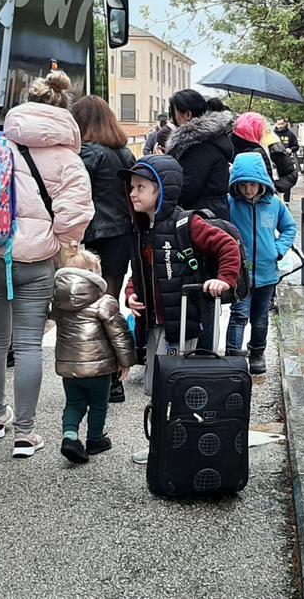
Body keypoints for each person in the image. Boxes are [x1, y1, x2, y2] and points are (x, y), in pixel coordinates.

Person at [0, 100, 93, 458]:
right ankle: (25, 435)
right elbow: (75, 216)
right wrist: (56, 240)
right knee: (27, 345)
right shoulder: (68, 160)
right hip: (36, 261)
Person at [121, 154, 242, 464]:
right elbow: (140, 273)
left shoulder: (187, 224)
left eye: (140, 187)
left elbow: (227, 246)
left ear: (162, 190)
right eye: (131, 187)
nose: (133, 193)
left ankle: (176, 446)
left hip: (185, 323)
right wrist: (132, 293)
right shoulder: (141, 229)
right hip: (156, 323)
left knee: (177, 387)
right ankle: (163, 444)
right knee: (157, 387)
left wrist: (223, 280)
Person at [70, 95, 137, 402]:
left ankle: (96, 374)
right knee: (110, 306)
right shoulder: (125, 153)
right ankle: (116, 378)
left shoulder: (88, 154)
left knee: (88, 308)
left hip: (94, 237)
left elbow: (76, 195)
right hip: (122, 236)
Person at [50, 245, 137, 463]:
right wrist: (126, 361)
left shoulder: (59, 303)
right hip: (99, 369)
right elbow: (119, 334)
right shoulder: (104, 301)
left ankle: (70, 437)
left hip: (69, 369)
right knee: (98, 405)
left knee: (74, 404)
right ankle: (95, 440)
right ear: (93, 275)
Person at [225, 153, 298, 374]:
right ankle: (233, 355)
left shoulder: (274, 204)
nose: (248, 189)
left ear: (262, 182)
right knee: (239, 314)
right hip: (240, 273)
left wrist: (278, 249)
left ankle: (257, 352)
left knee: (260, 318)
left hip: (267, 273)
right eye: (244, 184)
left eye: (253, 184)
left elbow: (289, 228)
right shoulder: (230, 204)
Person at [164, 89, 235, 219]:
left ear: (187, 114)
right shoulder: (212, 137)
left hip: (202, 217)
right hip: (211, 212)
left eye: (174, 112)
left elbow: (187, 189)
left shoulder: (200, 145)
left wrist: (165, 163)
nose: (172, 119)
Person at [259, 119, 300, 201]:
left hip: (283, 160)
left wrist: (291, 149)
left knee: (284, 183)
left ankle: (286, 201)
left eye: (282, 124)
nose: (280, 126)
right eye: (278, 124)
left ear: (285, 123)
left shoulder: (290, 134)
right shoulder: (272, 134)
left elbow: (296, 146)